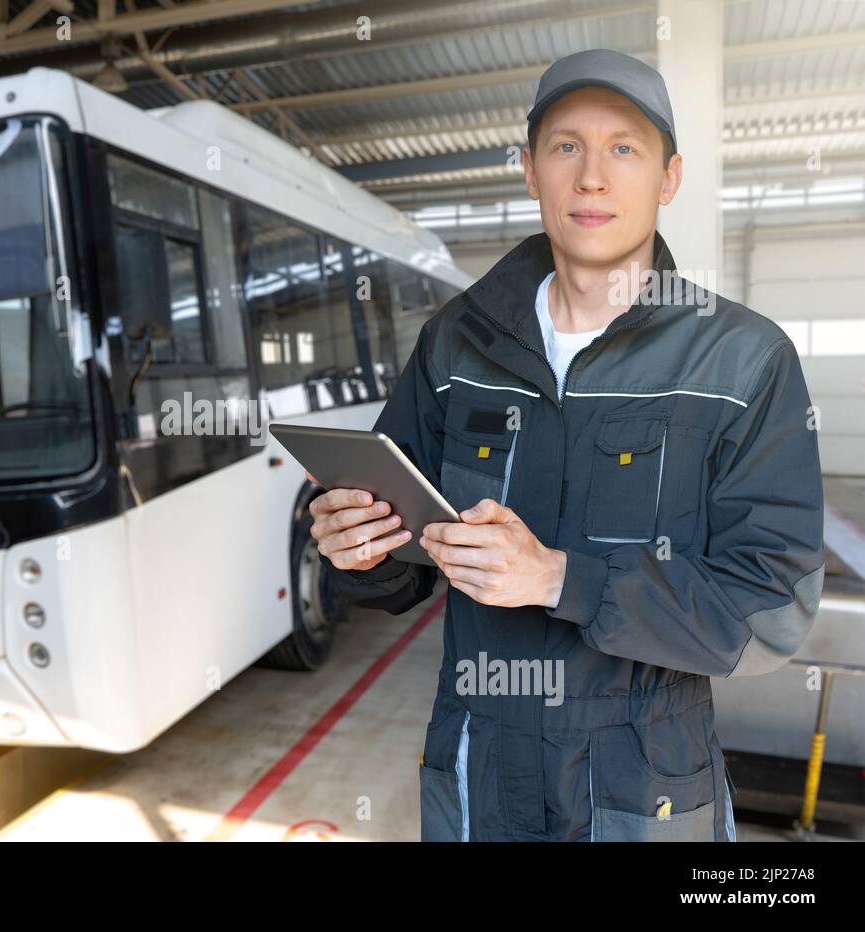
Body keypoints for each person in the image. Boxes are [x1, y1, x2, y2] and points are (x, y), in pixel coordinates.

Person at [309, 48, 825, 841]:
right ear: (528, 170)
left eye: (625, 148)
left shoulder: (743, 360)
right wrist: (358, 549)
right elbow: (398, 566)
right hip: (478, 764)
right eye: (565, 146)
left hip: (643, 781)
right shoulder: (456, 343)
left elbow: (773, 610)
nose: (592, 177)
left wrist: (561, 579)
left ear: (669, 178)